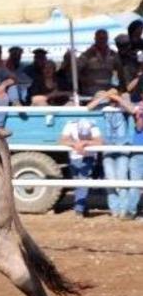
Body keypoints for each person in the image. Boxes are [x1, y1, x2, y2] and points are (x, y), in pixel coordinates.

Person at [87, 89, 135, 218]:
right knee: (110, 179)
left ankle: (123, 210)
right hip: (107, 146)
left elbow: (132, 110)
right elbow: (89, 107)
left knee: (122, 179)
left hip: (122, 146)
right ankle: (114, 210)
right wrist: (105, 95)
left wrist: (118, 98)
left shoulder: (123, 107)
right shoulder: (103, 108)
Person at [60, 118, 103, 218]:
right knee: (77, 183)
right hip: (73, 158)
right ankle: (83, 206)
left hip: (88, 157)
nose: (83, 136)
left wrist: (85, 143)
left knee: (83, 182)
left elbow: (100, 141)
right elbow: (62, 140)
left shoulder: (93, 126)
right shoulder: (70, 125)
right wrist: (75, 144)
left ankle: (79, 209)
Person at [78, 29, 123, 97]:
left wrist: (120, 88)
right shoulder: (87, 55)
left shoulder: (113, 55)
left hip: (108, 90)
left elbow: (120, 72)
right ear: (95, 39)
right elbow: (76, 72)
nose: (102, 40)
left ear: (107, 39)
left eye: (104, 38)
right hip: (91, 91)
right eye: (100, 38)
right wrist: (84, 80)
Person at [126, 104, 143, 220]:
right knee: (135, 184)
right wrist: (140, 116)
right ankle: (131, 211)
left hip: (138, 151)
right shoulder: (138, 107)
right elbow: (139, 127)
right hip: (138, 150)